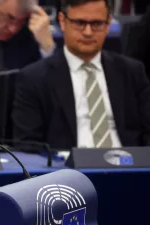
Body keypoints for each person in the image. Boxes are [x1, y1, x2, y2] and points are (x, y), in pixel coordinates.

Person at [12, 0, 150, 149]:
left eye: (96, 24)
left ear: (108, 23)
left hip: (130, 167)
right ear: (62, 21)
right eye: (79, 23)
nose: (88, 32)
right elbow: (28, 147)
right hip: (69, 169)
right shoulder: (34, 78)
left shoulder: (131, 72)